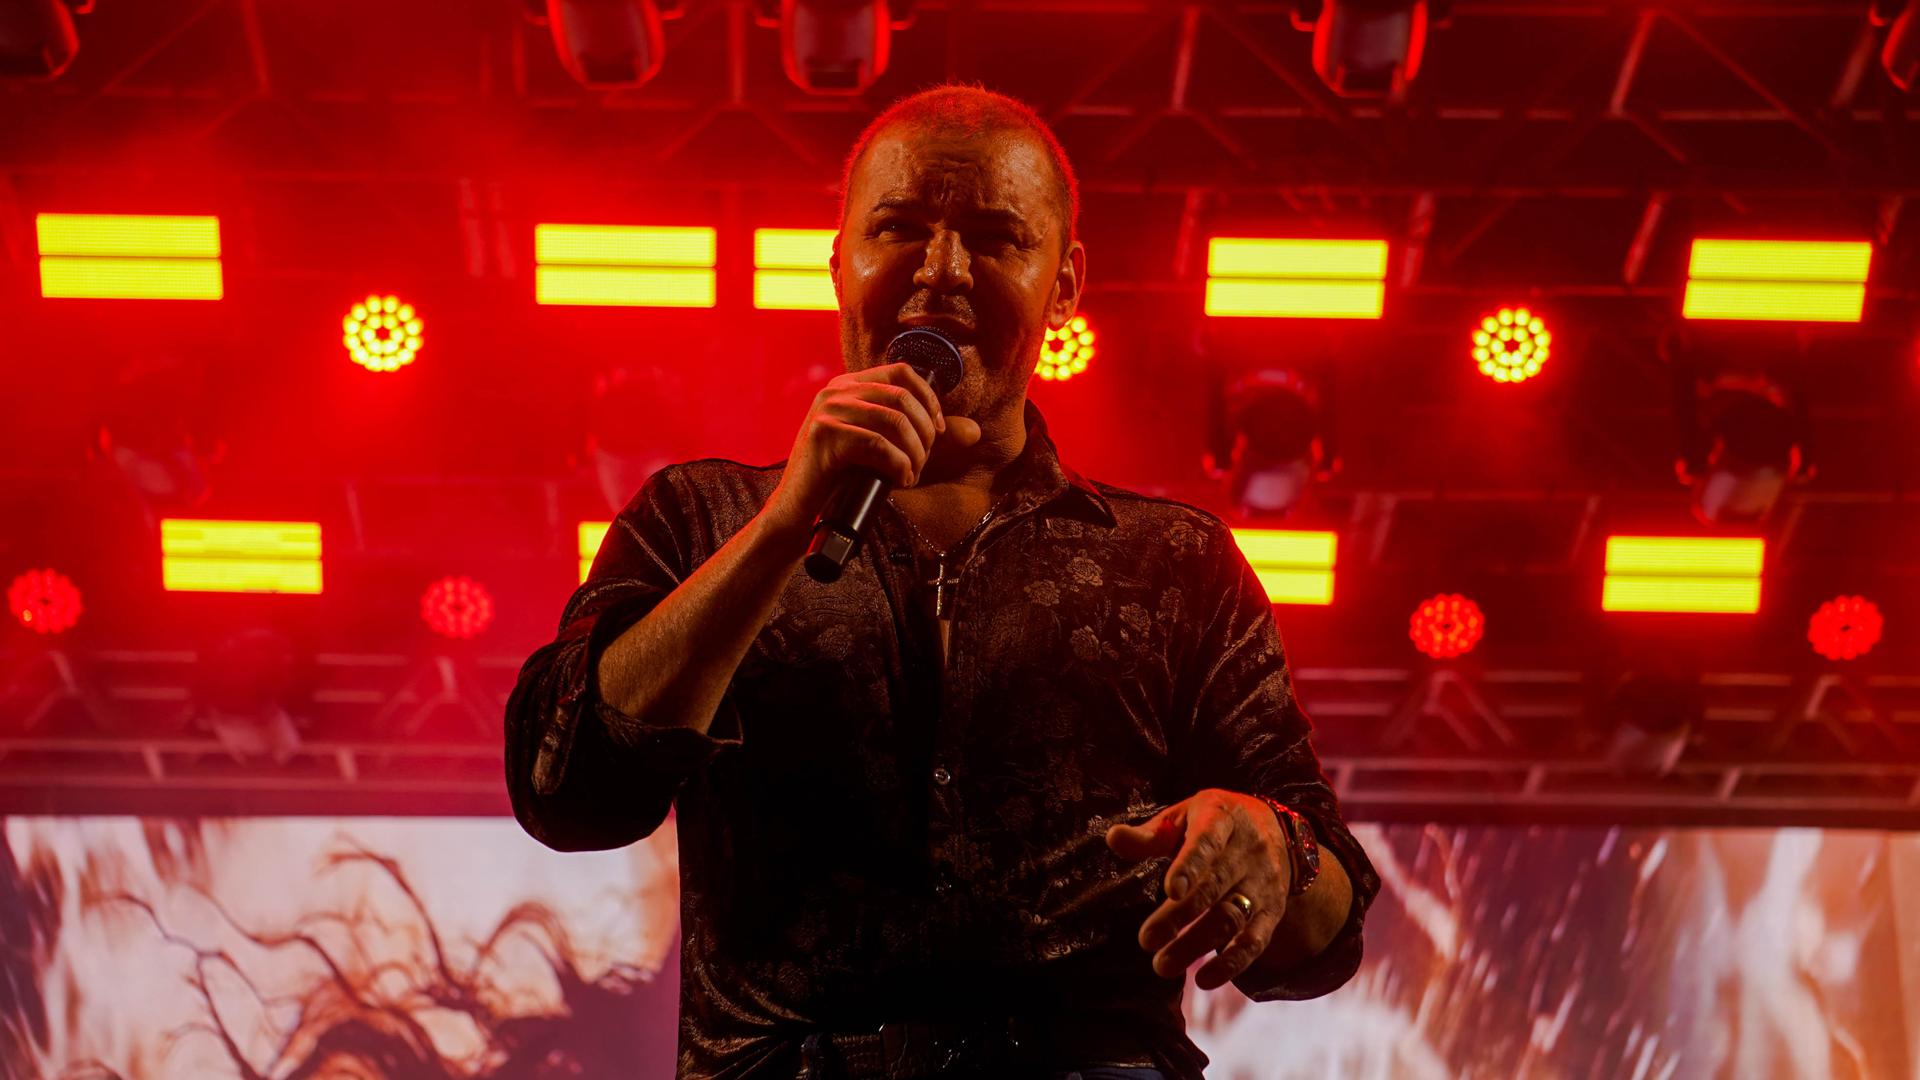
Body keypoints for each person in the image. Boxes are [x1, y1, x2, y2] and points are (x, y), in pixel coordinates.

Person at [504, 84, 1381, 1080]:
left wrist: (1275, 847)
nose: (941, 271)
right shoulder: (698, 518)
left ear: (1064, 285)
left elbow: (1330, 925)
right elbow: (563, 786)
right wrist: (785, 525)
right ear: (838, 264)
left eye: (997, 238)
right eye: (899, 229)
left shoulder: (1177, 561)